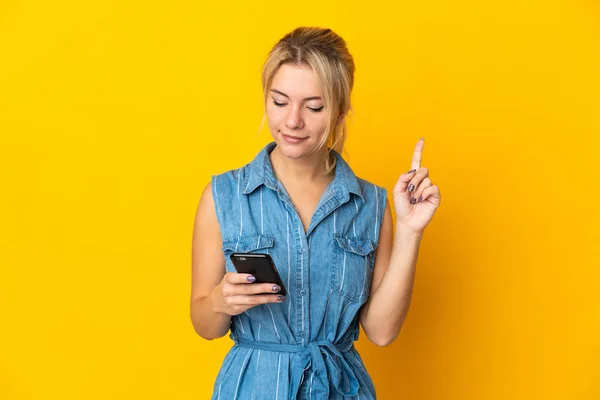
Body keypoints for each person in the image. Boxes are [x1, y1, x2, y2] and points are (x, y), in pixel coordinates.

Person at [190, 26, 441, 400]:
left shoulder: (370, 204)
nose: (292, 121)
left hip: (341, 389)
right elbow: (205, 324)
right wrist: (219, 302)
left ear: (340, 112)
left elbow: (382, 332)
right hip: (254, 389)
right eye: (279, 101)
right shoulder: (223, 195)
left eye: (314, 107)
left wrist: (410, 231)